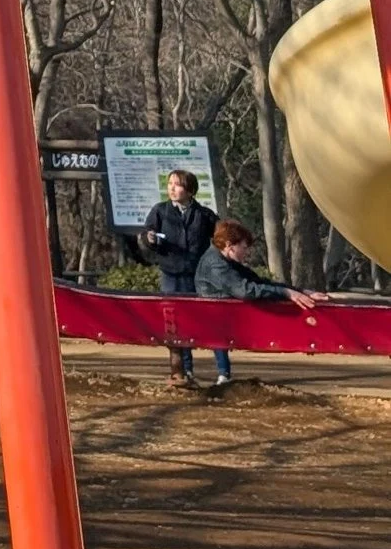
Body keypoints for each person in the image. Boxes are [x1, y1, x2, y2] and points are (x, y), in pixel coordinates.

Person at [192, 216, 320, 391]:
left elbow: (258, 282)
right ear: (230, 245)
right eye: (243, 247)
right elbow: (245, 291)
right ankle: (222, 375)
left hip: (224, 317)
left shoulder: (225, 260)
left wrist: (299, 291)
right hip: (220, 318)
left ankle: (224, 374)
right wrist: (286, 293)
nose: (246, 252)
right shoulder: (217, 265)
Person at [134, 167, 216, 390]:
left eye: (177, 184)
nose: (172, 188)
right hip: (170, 273)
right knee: (173, 323)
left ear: (189, 190)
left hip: (196, 274)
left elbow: (220, 236)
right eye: (169, 184)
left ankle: (216, 370)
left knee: (196, 320)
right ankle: (180, 369)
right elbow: (146, 233)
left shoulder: (204, 214)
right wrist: (149, 239)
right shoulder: (160, 211)